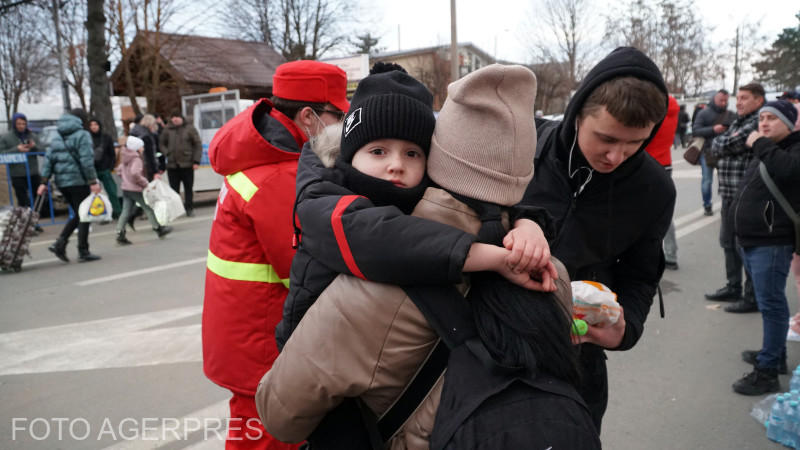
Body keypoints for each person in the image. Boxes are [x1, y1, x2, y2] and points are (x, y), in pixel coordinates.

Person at [257, 64, 600, 449]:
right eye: (378, 151)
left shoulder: (368, 292)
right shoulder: (549, 273)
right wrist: (522, 229)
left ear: (436, 158)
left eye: (412, 153)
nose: (396, 165)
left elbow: (278, 415)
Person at [519, 46, 675, 431]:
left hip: (576, 360)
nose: (615, 156)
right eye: (605, 138)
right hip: (493, 346)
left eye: (634, 143)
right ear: (576, 116)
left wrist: (626, 330)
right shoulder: (523, 145)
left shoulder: (654, 189)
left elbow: (640, 277)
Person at [202, 60, 348, 450]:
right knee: (267, 439)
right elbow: (306, 270)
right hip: (265, 347)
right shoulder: (280, 176)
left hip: (248, 337)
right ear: (307, 116)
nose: (343, 127)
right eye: (337, 115)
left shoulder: (260, 159)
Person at [731, 100, 800, 395]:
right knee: (769, 302)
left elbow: (788, 172)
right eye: (762, 119)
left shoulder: (790, 150)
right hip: (753, 239)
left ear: (789, 122)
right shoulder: (770, 148)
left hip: (771, 242)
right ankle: (775, 354)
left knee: (771, 305)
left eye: (772, 118)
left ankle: (768, 370)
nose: (764, 124)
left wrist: (759, 143)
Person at [706, 82, 766, 313]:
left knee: (745, 247)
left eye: (744, 98)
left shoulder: (759, 121)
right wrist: (722, 143)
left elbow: (729, 142)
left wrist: (722, 143)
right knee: (728, 242)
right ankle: (733, 287)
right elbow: (718, 143)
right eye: (737, 98)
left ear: (758, 100)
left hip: (747, 198)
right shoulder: (739, 121)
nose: (738, 102)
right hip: (729, 194)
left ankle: (752, 297)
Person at [37, 109, 102, 262]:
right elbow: (87, 161)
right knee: (84, 214)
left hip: (61, 182)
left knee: (79, 214)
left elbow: (49, 160)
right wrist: (92, 181)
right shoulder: (82, 135)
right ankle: (82, 250)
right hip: (78, 181)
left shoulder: (57, 136)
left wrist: (43, 182)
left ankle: (61, 244)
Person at [115, 136, 172, 245]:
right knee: (148, 208)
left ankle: (119, 232)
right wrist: (145, 183)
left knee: (126, 211)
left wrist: (126, 179)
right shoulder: (136, 159)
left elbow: (119, 171)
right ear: (136, 147)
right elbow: (135, 173)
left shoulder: (125, 156)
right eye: (141, 146)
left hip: (126, 187)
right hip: (135, 188)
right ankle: (158, 228)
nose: (143, 148)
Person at [646, 95, 680, 270]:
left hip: (647, 163)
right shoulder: (673, 109)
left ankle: (648, 256)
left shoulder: (652, 110)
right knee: (664, 213)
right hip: (665, 163)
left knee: (641, 213)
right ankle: (671, 253)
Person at [692, 89, 734, 216]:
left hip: (725, 151)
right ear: (714, 99)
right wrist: (713, 129)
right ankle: (707, 205)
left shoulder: (730, 113)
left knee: (726, 181)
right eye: (721, 100)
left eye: (725, 100)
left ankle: (726, 206)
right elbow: (695, 131)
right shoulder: (704, 113)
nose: (723, 103)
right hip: (708, 152)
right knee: (707, 181)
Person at [0, 113, 43, 218]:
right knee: (23, 199)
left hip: (33, 172)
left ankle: (34, 221)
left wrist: (34, 147)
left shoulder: (32, 136)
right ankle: (24, 222)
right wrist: (17, 149)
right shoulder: (6, 137)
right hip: (17, 173)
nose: (21, 126)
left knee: (37, 197)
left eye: (24, 124)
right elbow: (1, 153)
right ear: (14, 124)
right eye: (19, 124)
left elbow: (43, 151)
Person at [160, 111, 201, 216]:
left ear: (181, 118)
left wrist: (196, 161)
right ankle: (176, 210)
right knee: (174, 190)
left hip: (187, 164)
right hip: (172, 165)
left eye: (177, 117)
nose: (175, 119)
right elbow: (161, 143)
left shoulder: (189, 129)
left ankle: (189, 208)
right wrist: (167, 153)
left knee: (188, 188)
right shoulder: (167, 130)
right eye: (173, 117)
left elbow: (197, 144)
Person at [88, 117, 121, 219]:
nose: (94, 127)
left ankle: (117, 212)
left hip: (105, 168)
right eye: (91, 125)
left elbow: (112, 153)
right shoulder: (87, 138)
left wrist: (110, 166)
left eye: (95, 124)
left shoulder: (106, 137)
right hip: (93, 170)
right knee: (94, 194)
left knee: (112, 191)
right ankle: (99, 213)